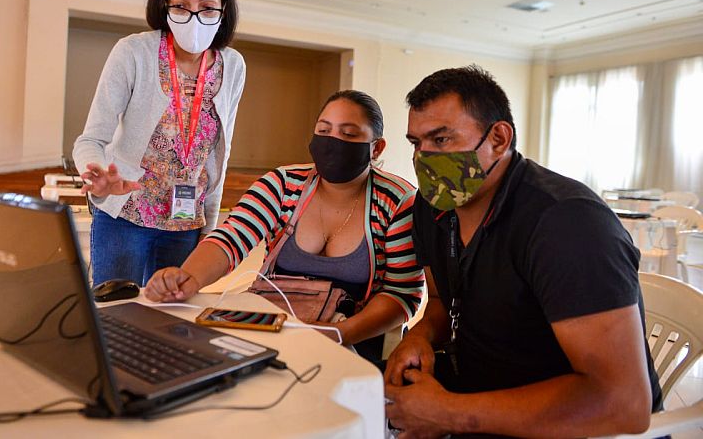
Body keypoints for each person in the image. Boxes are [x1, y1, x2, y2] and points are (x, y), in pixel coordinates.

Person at [384, 65, 661, 437]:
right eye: (417, 143)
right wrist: (419, 337)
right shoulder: (432, 206)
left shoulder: (567, 224)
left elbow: (621, 403)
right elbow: (439, 301)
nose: (424, 158)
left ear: (498, 138)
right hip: (477, 392)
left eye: (442, 139)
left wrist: (446, 413)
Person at [145, 90, 425, 364]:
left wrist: (339, 334)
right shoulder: (283, 184)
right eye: (324, 131)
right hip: (273, 328)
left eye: (349, 134)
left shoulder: (397, 201)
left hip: (354, 342)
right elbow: (230, 239)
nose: (333, 142)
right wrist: (188, 278)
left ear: (376, 147)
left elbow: (402, 294)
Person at [73, 0, 245, 287]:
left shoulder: (234, 65)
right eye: (181, 5)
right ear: (164, 3)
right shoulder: (133, 52)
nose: (194, 16)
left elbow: (219, 154)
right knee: (117, 316)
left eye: (207, 6)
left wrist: (210, 225)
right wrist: (96, 175)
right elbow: (91, 140)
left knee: (172, 322)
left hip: (185, 223)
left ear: (223, 9)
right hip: (126, 215)